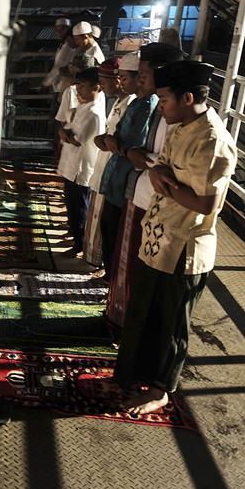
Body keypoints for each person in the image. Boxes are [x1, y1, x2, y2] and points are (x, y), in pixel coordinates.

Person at [116, 60, 237, 414]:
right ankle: (130, 375)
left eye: (165, 99)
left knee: (172, 322)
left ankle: (160, 389)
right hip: (158, 235)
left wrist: (166, 182)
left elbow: (202, 201)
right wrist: (166, 180)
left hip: (185, 245)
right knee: (144, 311)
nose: (161, 106)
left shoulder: (212, 140)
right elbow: (160, 172)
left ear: (187, 97)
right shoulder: (181, 126)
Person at [106, 43, 184, 328]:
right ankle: (121, 321)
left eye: (143, 75)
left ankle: (129, 328)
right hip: (139, 195)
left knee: (141, 273)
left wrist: (132, 154)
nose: (139, 81)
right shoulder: (156, 108)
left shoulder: (174, 117)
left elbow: (162, 163)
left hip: (154, 203)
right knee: (126, 264)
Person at [85, 55, 137, 267]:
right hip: (106, 164)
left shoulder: (132, 102)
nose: (102, 85)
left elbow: (119, 140)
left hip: (115, 169)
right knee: (101, 219)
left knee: (110, 224)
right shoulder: (119, 100)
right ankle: (99, 262)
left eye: (105, 81)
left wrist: (106, 140)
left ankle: (106, 269)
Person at [56, 67, 107, 254]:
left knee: (79, 208)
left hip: (81, 168)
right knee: (72, 204)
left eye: (83, 86)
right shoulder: (82, 107)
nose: (78, 90)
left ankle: (80, 243)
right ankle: (76, 238)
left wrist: (64, 133)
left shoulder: (94, 113)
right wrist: (64, 133)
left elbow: (74, 138)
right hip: (71, 165)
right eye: (78, 85)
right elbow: (65, 131)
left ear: (97, 88)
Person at [42, 17, 74, 94]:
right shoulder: (63, 44)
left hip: (62, 86)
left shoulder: (68, 46)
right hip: (60, 85)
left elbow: (59, 66)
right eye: (57, 29)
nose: (59, 32)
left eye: (62, 29)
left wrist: (46, 82)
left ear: (68, 30)